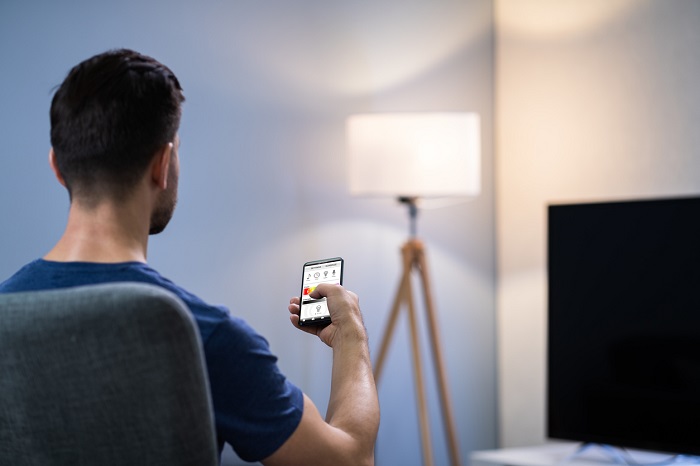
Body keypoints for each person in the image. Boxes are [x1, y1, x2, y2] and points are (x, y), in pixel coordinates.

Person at [0, 49, 380, 466]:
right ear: (162, 164)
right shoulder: (199, 334)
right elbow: (350, 459)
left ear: (57, 167)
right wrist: (351, 336)